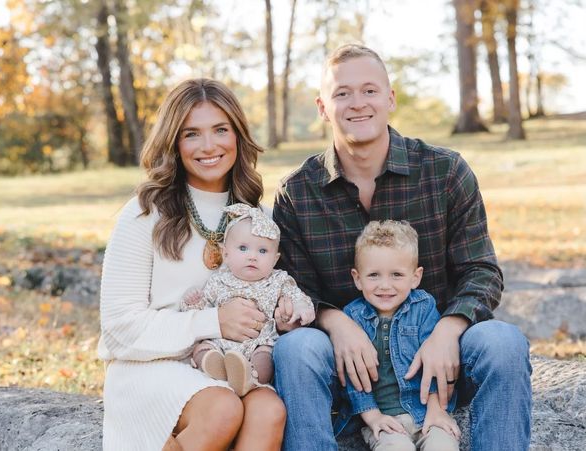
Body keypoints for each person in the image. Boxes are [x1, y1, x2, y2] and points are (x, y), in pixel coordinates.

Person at [272, 43, 532, 451]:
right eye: (342, 93)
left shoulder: (444, 172)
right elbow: (292, 285)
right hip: (349, 370)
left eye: (370, 90)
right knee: (295, 347)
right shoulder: (298, 192)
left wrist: (449, 329)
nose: (358, 104)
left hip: (438, 360)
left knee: (504, 342)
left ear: (390, 99)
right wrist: (335, 322)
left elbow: (481, 271)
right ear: (323, 107)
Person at [98, 78, 288, 451]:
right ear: (173, 143)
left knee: (268, 411)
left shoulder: (260, 220)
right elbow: (119, 329)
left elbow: (275, 291)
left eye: (220, 130)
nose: (208, 146)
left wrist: (285, 310)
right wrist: (212, 321)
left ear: (238, 136)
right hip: (150, 366)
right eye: (191, 134)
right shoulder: (144, 214)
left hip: (234, 364)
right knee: (221, 409)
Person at [342, 220, 460, 451]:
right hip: (384, 419)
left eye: (396, 274)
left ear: (415, 277)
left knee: (443, 446)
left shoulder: (424, 307)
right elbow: (352, 377)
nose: (385, 285)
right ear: (357, 278)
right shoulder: (353, 317)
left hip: (427, 412)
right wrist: (373, 418)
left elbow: (436, 364)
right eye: (374, 275)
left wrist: (437, 410)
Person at [181, 203, 315, 397]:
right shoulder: (219, 280)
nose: (252, 256)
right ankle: (214, 366)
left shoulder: (278, 280)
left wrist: (302, 307)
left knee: (266, 357)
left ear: (275, 259)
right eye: (243, 248)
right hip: (220, 342)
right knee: (202, 348)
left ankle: (250, 379)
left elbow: (296, 296)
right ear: (225, 254)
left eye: (262, 251)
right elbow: (204, 310)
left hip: (258, 343)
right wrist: (194, 302)